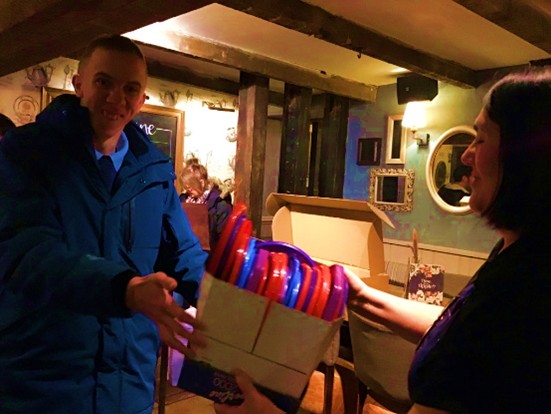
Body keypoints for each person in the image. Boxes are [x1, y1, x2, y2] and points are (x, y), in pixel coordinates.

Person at [213, 68, 551, 413]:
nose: (466, 155)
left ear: (523, 158)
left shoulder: (528, 290)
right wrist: (361, 296)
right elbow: (461, 331)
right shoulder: (515, 252)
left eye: (481, 138)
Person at [0, 35, 207, 414]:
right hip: (42, 388)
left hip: (129, 388)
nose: (116, 98)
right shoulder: (26, 153)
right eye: (104, 82)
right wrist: (124, 289)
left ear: (142, 99)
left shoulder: (155, 171)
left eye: (130, 89)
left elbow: (187, 256)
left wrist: (239, 295)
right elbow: (27, 254)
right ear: (79, 84)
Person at [179, 161, 233, 250]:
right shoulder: (183, 200)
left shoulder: (220, 205)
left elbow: (223, 241)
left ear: (202, 183)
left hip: (207, 252)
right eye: (186, 188)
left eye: (190, 188)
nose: (188, 191)